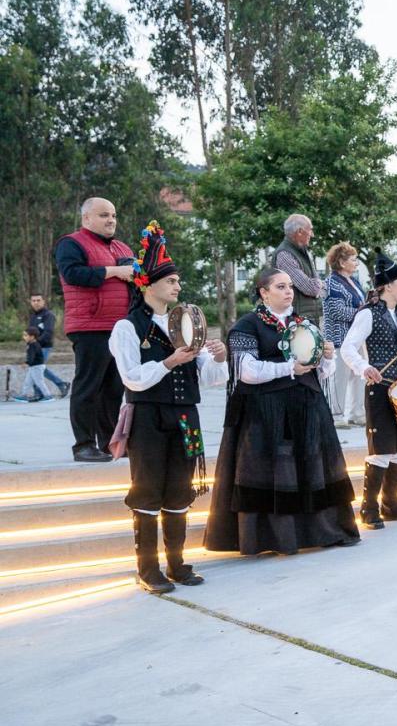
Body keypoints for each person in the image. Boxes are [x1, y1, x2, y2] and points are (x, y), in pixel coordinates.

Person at [203, 267, 358, 554]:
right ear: (264, 293)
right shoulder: (247, 325)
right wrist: (289, 368)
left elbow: (322, 373)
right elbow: (246, 371)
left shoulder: (305, 323)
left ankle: (320, 531)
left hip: (307, 406)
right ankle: (277, 538)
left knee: (309, 467)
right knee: (276, 472)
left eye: (290, 287)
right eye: (281, 287)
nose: (289, 292)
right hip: (267, 411)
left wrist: (327, 358)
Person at [108, 223, 228, 591]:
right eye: (171, 281)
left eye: (177, 281)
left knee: (179, 488)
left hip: (185, 416)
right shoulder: (127, 328)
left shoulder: (186, 324)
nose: (177, 287)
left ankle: (177, 563)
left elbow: (208, 378)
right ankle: (148, 569)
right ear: (149, 285)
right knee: (146, 489)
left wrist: (219, 358)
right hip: (147, 416)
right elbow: (131, 378)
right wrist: (169, 362)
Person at [339, 254, 397, 529]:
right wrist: (364, 367)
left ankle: (391, 504)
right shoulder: (367, 313)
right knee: (381, 450)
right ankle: (369, 508)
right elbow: (348, 347)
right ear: (387, 286)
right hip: (380, 389)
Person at [54, 197, 133, 462]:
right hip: (90, 326)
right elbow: (73, 274)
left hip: (120, 327)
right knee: (88, 387)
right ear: (86, 218)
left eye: (113, 215)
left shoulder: (122, 247)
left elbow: (136, 280)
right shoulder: (71, 243)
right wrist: (113, 271)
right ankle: (84, 445)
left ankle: (110, 443)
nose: (110, 220)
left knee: (113, 389)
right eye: (103, 215)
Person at [321, 241, 367, 428]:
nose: (356, 262)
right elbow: (336, 311)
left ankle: (357, 413)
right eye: (353, 259)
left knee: (359, 375)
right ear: (341, 262)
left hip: (356, 338)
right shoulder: (331, 283)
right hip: (339, 338)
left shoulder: (354, 281)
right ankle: (337, 415)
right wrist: (361, 312)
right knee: (340, 377)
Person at [270, 214, 323, 326]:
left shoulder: (300, 251)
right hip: (296, 323)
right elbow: (311, 288)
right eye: (310, 230)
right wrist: (319, 284)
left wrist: (317, 284)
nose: (312, 234)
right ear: (299, 231)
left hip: (307, 319)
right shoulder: (285, 254)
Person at [26, 293, 70, 397]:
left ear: (43, 301)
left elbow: (48, 332)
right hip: (34, 346)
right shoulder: (33, 316)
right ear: (31, 302)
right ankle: (62, 384)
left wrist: (36, 344)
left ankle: (38, 393)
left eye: (38, 300)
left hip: (44, 346)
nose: (36, 303)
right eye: (34, 301)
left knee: (36, 368)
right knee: (39, 368)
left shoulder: (48, 315)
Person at [14, 329, 52, 402]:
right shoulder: (31, 344)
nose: (23, 337)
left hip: (37, 367)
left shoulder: (33, 345)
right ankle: (23, 395)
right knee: (27, 382)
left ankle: (48, 396)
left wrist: (27, 363)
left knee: (39, 382)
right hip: (33, 366)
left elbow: (31, 356)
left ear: (32, 337)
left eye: (25, 335)